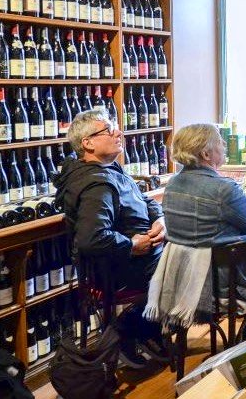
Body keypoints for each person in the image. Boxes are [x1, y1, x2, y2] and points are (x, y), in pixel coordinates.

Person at [147, 124, 246, 338]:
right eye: (220, 142)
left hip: (182, 282)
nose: (223, 146)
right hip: (222, 285)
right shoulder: (224, 188)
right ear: (206, 153)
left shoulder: (173, 185)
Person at [53, 109, 167, 369]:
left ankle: (146, 331)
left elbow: (145, 200)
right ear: (88, 143)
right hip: (122, 269)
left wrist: (160, 220)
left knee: (190, 254)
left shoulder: (110, 169)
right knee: (196, 260)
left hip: (139, 258)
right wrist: (132, 245)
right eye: (108, 130)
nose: (118, 133)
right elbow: (91, 239)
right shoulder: (97, 185)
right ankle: (129, 329)